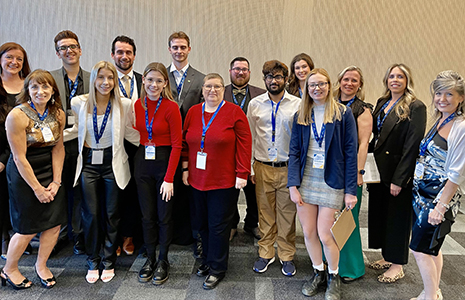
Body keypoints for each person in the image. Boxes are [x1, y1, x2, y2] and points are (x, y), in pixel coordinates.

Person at [64, 61, 139, 283]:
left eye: (110, 78)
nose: (105, 83)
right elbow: (75, 130)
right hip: (88, 163)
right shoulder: (79, 102)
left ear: (115, 81)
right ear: (93, 79)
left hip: (112, 163)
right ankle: (93, 259)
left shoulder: (124, 104)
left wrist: (155, 141)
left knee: (112, 213)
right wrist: (51, 138)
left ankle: (108, 259)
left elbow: (129, 132)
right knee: (91, 213)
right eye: (101, 78)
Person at [287, 68, 357, 300]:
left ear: (329, 85)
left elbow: (350, 153)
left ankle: (333, 276)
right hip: (306, 180)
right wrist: (292, 185)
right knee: (308, 232)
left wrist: (350, 191)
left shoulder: (342, 114)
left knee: (325, 235)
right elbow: (294, 151)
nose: (317, 88)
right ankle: (318, 271)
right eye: (312, 85)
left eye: (321, 84)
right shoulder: (301, 113)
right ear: (306, 89)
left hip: (332, 181)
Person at [181, 73, 251, 289]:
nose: (212, 90)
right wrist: (185, 169)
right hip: (196, 179)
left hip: (224, 181)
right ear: (202, 90)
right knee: (201, 224)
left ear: (224, 90)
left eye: (217, 87)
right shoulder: (193, 112)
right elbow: (185, 142)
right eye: (208, 86)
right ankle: (207, 261)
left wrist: (242, 173)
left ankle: (218, 267)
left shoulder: (234, 112)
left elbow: (244, 144)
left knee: (218, 225)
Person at [2, 69, 66, 289]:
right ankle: (9, 269)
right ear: (27, 90)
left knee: (53, 224)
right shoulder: (17, 115)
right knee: (27, 226)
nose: (41, 91)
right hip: (24, 174)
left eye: (45, 86)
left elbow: (59, 149)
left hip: (50, 169)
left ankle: (41, 265)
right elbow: (19, 158)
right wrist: (38, 188)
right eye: (35, 87)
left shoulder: (57, 113)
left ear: (52, 90)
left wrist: (56, 182)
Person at [409, 71, 465, 300]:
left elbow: (456, 173)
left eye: (449, 94)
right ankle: (432, 292)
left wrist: (441, 207)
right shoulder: (441, 118)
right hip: (422, 192)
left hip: (439, 197)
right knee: (432, 247)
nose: (442, 99)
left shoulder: (460, 127)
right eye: (438, 93)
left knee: (418, 249)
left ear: (461, 97)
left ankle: (431, 297)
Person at [368, 63, 426, 283]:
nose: (395, 80)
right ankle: (386, 256)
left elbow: (412, 146)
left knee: (398, 219)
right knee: (382, 215)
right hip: (379, 171)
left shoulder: (415, 106)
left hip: (398, 173)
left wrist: (400, 179)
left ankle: (397, 264)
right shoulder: (382, 102)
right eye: (392, 76)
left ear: (407, 80)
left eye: (400, 76)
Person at [248, 60, 301, 277]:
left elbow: (300, 140)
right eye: (269, 77)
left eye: (278, 77)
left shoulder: (297, 104)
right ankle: (266, 252)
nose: (273, 81)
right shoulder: (255, 104)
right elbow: (249, 137)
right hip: (262, 166)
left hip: (287, 167)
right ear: (264, 79)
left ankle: (286, 255)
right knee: (265, 212)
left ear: (286, 79)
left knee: (287, 214)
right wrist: (251, 167)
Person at [133, 62, 182, 285]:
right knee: (147, 215)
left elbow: (177, 145)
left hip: (165, 164)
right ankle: (150, 258)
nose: (154, 85)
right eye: (150, 80)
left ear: (165, 84)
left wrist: (170, 178)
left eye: (159, 81)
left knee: (164, 216)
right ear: (143, 80)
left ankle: (163, 259)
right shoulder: (137, 105)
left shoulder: (171, 107)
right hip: (143, 163)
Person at [50, 30, 90, 256]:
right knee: (59, 188)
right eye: (63, 48)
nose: (69, 51)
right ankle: (59, 234)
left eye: (73, 46)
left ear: (80, 50)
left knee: (80, 191)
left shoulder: (93, 77)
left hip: (83, 144)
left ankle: (79, 234)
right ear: (58, 53)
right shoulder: (50, 79)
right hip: (58, 144)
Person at [166, 31, 205, 255]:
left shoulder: (200, 79)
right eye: (175, 47)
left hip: (190, 143)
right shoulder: (160, 76)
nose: (179, 51)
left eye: (183, 47)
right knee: (170, 188)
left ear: (189, 49)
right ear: (169, 50)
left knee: (190, 189)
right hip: (166, 142)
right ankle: (169, 234)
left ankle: (191, 235)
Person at [333, 66, 372, 282]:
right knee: (329, 218)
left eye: (354, 80)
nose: (349, 83)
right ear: (339, 81)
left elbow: (363, 144)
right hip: (328, 170)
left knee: (348, 220)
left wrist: (358, 173)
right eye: (346, 79)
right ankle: (331, 262)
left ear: (360, 85)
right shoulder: (330, 105)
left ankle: (352, 268)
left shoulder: (362, 109)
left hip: (349, 172)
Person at [224, 57, 265, 241]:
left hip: (254, 151)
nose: (240, 72)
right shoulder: (219, 92)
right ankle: (232, 223)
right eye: (237, 69)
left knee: (253, 192)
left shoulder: (261, 94)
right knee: (230, 192)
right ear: (230, 71)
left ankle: (251, 224)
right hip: (227, 152)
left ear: (249, 73)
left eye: (244, 69)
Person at [111, 35, 143, 257]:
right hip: (113, 144)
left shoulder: (145, 80)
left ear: (134, 55)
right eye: (119, 52)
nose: (124, 56)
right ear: (113, 55)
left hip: (140, 144)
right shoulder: (105, 81)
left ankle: (129, 235)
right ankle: (113, 237)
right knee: (114, 192)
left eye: (128, 52)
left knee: (134, 190)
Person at [0, 42, 32, 258]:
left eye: (19, 59)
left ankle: (22, 238)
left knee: (21, 199)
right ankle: (4, 240)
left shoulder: (29, 86)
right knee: (2, 199)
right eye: (9, 57)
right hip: (1, 154)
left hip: (25, 152)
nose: (14, 62)